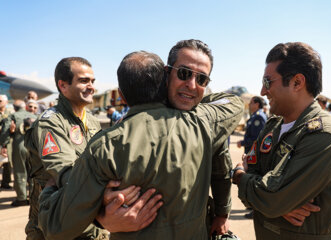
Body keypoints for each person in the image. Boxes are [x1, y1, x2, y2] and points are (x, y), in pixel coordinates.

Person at [37, 50, 243, 240]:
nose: (191, 83)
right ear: (165, 81)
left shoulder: (104, 146)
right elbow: (232, 103)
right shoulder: (201, 122)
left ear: (122, 95)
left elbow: (57, 226)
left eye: (200, 79)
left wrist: (52, 193)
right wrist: (189, 92)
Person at [99, 39, 235, 237]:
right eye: (184, 73)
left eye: (202, 80)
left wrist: (222, 213)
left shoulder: (207, 123)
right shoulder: (135, 122)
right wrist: (102, 213)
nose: (191, 85)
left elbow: (220, 170)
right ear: (166, 72)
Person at [232, 42, 331, 239]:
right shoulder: (272, 126)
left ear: (297, 82)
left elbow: (272, 198)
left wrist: (240, 176)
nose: (263, 92)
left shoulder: (327, 136)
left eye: (267, 82)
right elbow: (265, 192)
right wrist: (273, 199)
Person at [24, 57, 109, 239]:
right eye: (84, 81)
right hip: (56, 223)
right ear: (63, 86)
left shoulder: (93, 121)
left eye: (92, 81)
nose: (91, 87)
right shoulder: (51, 123)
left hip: (87, 220)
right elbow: (66, 173)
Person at [0, 100, 37, 206]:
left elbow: (5, 133)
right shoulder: (34, 115)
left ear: (15, 108)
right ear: (24, 107)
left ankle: (21, 198)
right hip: (33, 147)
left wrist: (4, 143)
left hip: (19, 147)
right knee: (33, 172)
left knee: (20, 171)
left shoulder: (12, 116)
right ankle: (34, 196)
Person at [236, 96, 267, 219]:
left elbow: (257, 138)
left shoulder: (259, 117)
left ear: (257, 104)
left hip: (254, 154)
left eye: (251, 102)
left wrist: (243, 143)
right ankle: (252, 206)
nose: (249, 104)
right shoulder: (256, 115)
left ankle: (255, 210)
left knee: (254, 179)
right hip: (251, 153)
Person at [0, 95, 13, 189]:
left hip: (8, 141)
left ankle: (6, 182)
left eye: (0, 100)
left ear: (6, 102)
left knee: (8, 164)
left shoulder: (10, 113)